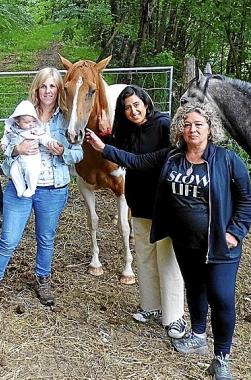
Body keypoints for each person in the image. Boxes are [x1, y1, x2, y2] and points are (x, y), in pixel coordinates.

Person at [85, 102, 251, 380]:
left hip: (219, 245)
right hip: (185, 243)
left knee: (221, 297)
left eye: (199, 124)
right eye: (186, 124)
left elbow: (246, 199)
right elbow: (137, 162)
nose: (192, 129)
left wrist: (234, 232)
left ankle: (222, 358)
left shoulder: (226, 160)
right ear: (179, 128)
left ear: (211, 129)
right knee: (196, 289)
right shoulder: (172, 157)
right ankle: (198, 335)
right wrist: (104, 149)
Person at [0, 67, 83, 307]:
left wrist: (63, 151)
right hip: (19, 185)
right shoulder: (22, 114)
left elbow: (79, 153)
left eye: (52, 86)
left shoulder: (68, 118)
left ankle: (42, 278)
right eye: (43, 86)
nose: (48, 91)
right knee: (8, 238)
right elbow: (5, 152)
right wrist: (17, 150)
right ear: (37, 88)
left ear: (59, 90)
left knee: (45, 237)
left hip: (53, 188)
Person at [97, 85, 186, 339]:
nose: (133, 110)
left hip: (165, 206)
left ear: (146, 103)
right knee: (145, 258)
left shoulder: (163, 125)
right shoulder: (128, 130)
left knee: (167, 261)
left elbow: (142, 161)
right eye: (127, 108)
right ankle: (151, 307)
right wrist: (104, 136)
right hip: (140, 205)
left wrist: (106, 148)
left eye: (136, 105)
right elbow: (117, 149)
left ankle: (175, 317)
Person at [0, 100, 57, 198]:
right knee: (13, 172)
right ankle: (20, 188)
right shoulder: (12, 130)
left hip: (32, 159)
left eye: (33, 121)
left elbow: (44, 138)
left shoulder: (35, 130)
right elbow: (6, 137)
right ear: (17, 122)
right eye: (27, 122)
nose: (31, 124)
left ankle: (31, 188)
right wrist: (4, 144)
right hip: (18, 159)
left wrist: (51, 143)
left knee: (31, 172)